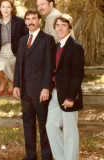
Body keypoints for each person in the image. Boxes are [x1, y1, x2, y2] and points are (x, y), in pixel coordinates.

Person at [13, 9, 55, 160]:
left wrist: (46, 87)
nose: (31, 21)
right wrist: (16, 85)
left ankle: (46, 157)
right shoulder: (23, 40)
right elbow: (18, 65)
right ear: (25, 21)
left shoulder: (47, 39)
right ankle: (30, 156)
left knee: (44, 127)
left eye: (34, 18)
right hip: (25, 92)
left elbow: (50, 66)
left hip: (40, 92)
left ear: (39, 21)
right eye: (28, 19)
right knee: (28, 127)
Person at [46, 14, 84, 160]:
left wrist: (71, 97)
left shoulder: (75, 47)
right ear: (54, 27)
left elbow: (78, 75)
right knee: (51, 126)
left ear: (69, 28)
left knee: (70, 132)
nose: (60, 28)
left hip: (68, 96)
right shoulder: (57, 45)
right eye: (57, 25)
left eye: (63, 25)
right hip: (55, 93)